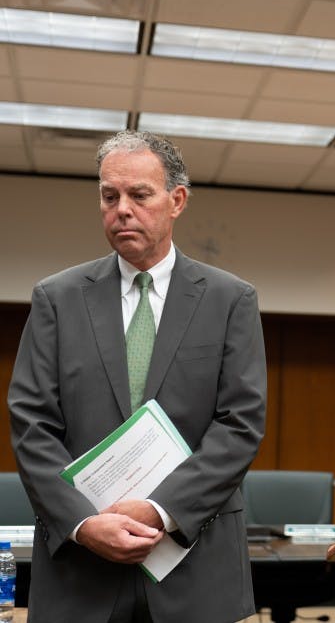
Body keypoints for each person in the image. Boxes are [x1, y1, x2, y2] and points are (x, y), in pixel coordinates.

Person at [7, 130, 266, 622]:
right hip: (80, 571)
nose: (121, 209)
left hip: (194, 566)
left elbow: (240, 426)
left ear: (177, 200)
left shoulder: (230, 301)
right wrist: (83, 522)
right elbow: (31, 423)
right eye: (109, 196)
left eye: (139, 195)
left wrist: (159, 510)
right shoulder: (56, 300)